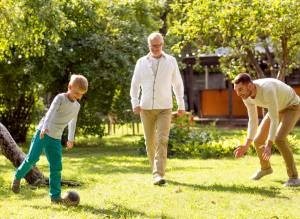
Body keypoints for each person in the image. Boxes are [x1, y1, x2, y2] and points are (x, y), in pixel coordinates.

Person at [11, 74, 88, 202]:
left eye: (81, 94)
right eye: (76, 93)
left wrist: (70, 139)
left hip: (56, 138)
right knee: (32, 158)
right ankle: (18, 176)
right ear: (69, 87)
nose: (78, 96)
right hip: (43, 132)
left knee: (56, 166)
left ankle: (55, 197)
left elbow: (72, 122)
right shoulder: (60, 98)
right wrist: (44, 127)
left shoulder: (77, 106)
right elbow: (50, 112)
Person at [130, 32, 185, 185]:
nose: (156, 48)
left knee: (162, 140)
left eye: (159, 45)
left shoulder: (171, 61)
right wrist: (135, 103)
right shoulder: (141, 62)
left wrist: (181, 104)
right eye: (153, 45)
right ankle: (155, 171)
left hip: (165, 108)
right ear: (149, 45)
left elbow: (178, 84)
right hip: (145, 108)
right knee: (150, 142)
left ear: (163, 44)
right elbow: (135, 85)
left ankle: (158, 174)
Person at [233, 73, 300, 187]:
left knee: (279, 139)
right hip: (277, 108)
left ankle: (294, 178)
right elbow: (253, 120)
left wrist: (269, 144)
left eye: (240, 89)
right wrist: (246, 145)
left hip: (292, 106)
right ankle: (265, 168)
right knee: (258, 140)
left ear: (249, 85)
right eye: (236, 91)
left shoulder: (267, 89)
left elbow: (274, 120)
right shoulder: (246, 97)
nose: (239, 94)